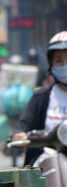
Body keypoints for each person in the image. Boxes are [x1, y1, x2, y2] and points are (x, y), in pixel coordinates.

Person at [12, 31, 67, 165]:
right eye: (59, 60)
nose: (65, 65)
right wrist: (20, 134)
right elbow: (22, 128)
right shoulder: (40, 98)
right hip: (48, 168)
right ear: (51, 64)